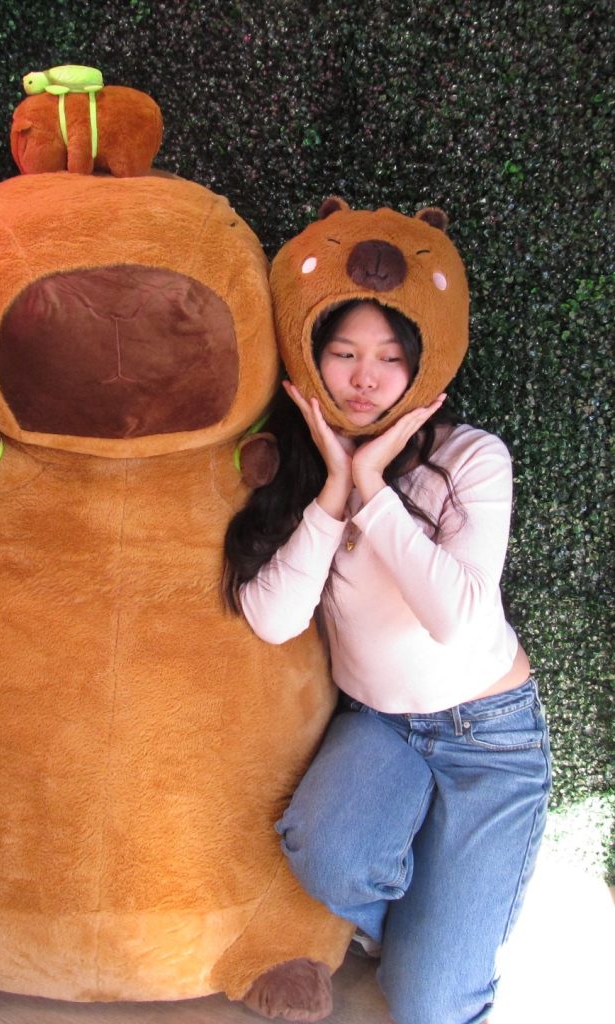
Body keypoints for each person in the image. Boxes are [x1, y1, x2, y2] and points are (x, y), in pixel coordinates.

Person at [223, 296, 551, 1024]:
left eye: (389, 358)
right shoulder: (300, 469)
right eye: (343, 354)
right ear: (312, 361)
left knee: (428, 1007)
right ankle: (427, 919)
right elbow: (274, 620)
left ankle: (438, 931)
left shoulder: (471, 455)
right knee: (323, 854)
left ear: (421, 365)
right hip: (381, 726)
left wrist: (373, 485)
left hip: (490, 740)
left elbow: (458, 625)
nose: (363, 379)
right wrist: (336, 487)